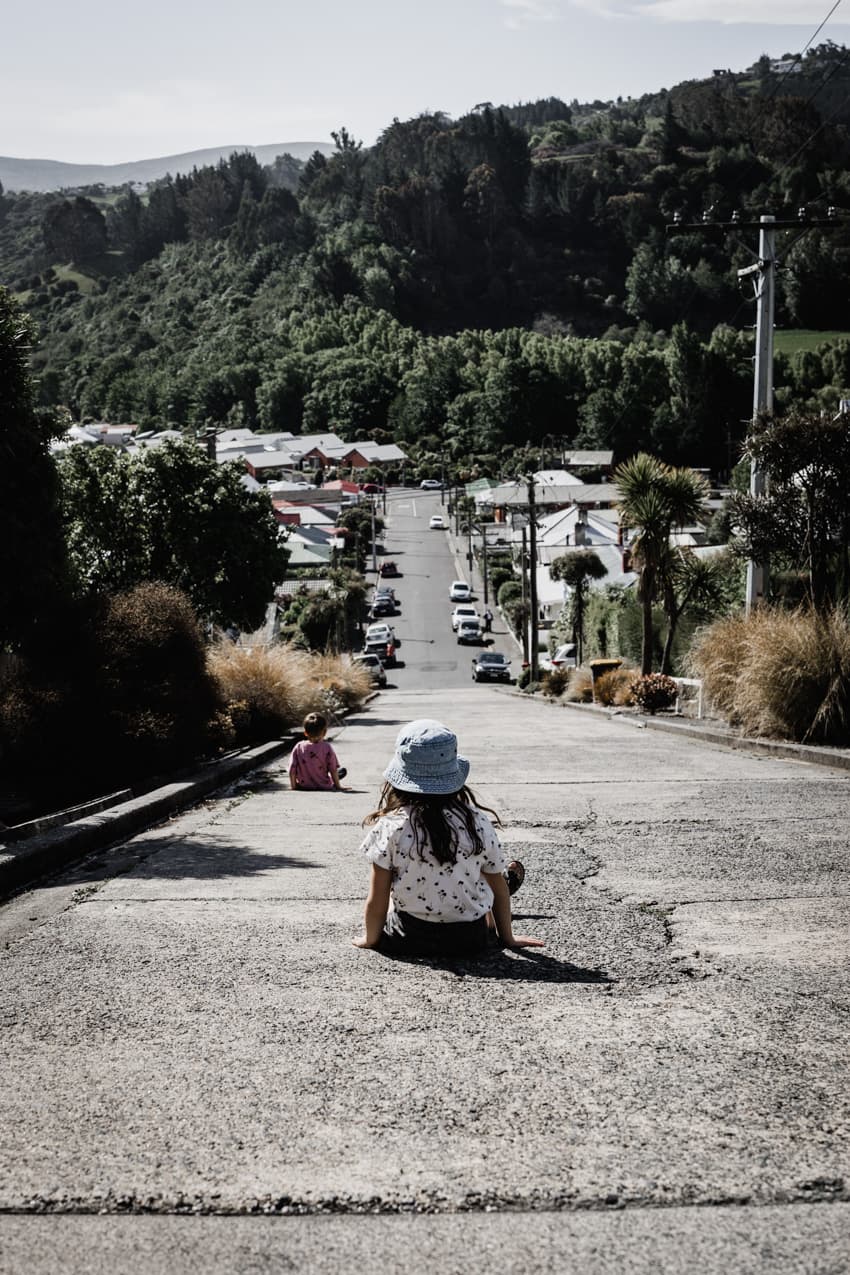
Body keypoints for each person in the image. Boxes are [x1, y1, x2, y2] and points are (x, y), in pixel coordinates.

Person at [353, 719, 544, 957]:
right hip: (471, 941)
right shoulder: (477, 822)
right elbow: (499, 890)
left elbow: (377, 898)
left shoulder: (391, 826)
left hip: (410, 940)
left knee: (392, 900)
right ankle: (485, 907)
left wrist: (370, 940)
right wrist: (508, 939)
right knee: (484, 888)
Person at [289, 712, 348, 791]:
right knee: (332, 775)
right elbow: (332, 768)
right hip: (324, 785)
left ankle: (334, 777)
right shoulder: (326, 747)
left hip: (304, 785)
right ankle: (334, 779)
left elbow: (292, 768)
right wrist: (338, 786)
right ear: (325, 732)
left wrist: (294, 786)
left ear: (306, 733)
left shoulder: (298, 746)